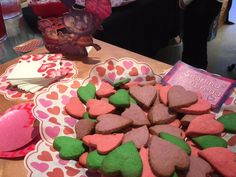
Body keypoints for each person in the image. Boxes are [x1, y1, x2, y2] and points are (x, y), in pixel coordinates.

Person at [179, 0, 223, 69]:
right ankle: (199, 72)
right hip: (214, 4)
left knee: (191, 43)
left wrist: (184, 2)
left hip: (200, 5)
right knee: (200, 41)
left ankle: (189, 72)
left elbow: (183, 4)